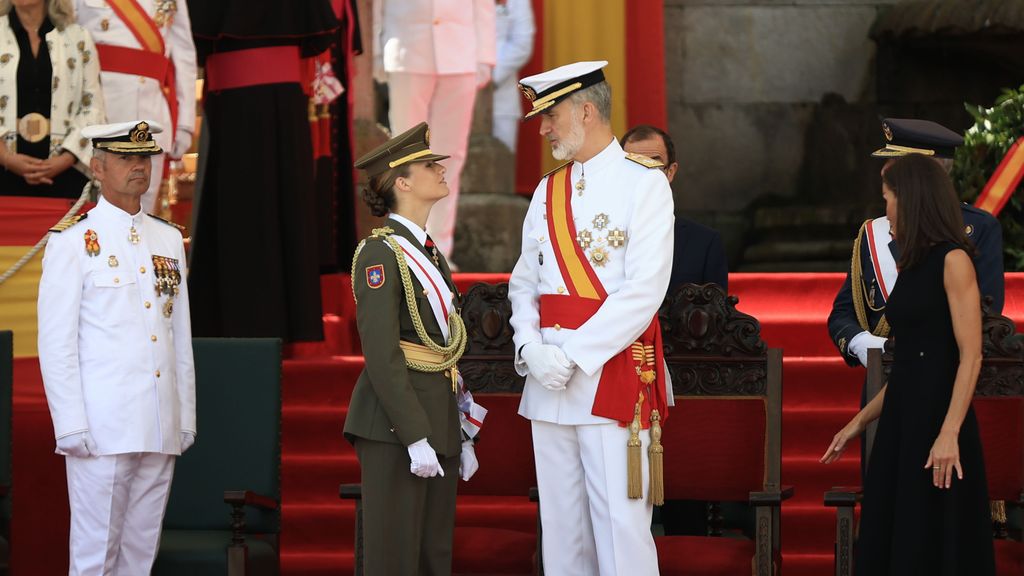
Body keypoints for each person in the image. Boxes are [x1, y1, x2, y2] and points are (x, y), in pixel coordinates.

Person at [509, 61, 673, 575]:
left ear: (585, 110)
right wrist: (530, 348)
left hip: (610, 373)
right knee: (561, 533)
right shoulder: (546, 190)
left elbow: (644, 291)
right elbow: (523, 282)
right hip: (547, 382)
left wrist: (573, 355)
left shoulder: (643, 185)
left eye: (550, 115)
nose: (543, 128)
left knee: (620, 531)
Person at [821, 153, 996, 574]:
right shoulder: (913, 263)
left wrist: (949, 433)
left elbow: (970, 355)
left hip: (941, 421)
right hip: (902, 422)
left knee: (934, 542)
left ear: (911, 198)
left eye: (887, 198)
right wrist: (858, 422)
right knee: (893, 537)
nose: (884, 211)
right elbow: (912, 365)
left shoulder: (954, 260)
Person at [37, 120, 196, 574]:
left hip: (159, 419)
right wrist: (69, 423)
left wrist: (184, 414)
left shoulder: (167, 238)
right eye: (126, 158)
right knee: (95, 553)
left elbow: (178, 336)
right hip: (102, 425)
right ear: (98, 168)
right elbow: (57, 343)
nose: (139, 167)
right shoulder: (72, 242)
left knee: (140, 553)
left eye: (144, 158)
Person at [343, 122, 480, 575]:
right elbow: (381, 354)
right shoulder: (380, 253)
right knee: (395, 555)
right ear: (401, 182)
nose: (441, 170)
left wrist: (458, 425)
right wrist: (413, 433)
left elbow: (444, 346)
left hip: (435, 417)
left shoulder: (428, 251)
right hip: (394, 426)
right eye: (428, 165)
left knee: (432, 555)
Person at [186, 0, 337, 343]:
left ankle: (240, 322)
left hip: (263, 104)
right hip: (250, 105)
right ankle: (282, 323)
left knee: (250, 211)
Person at [829, 118, 1004, 371]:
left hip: (944, 377)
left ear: (927, 174)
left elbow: (986, 317)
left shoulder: (978, 230)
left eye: (896, 164)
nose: (883, 170)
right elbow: (842, 314)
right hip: (881, 381)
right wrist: (863, 343)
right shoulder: (872, 233)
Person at [373, 0, 496, 263]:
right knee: (404, 154)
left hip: (460, 51)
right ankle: (405, 241)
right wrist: (375, 50)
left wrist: (485, 56)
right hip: (407, 46)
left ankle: (439, 247)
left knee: (451, 154)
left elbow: (484, 5)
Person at [74, 0, 198, 213]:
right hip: (93, 114)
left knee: (140, 218)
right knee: (86, 220)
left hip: (147, 117)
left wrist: (185, 123)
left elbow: (184, 55)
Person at [0, 0, 104, 198]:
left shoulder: (78, 37)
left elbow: (93, 106)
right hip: (3, 172)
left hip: (66, 173)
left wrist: (65, 159)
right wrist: (6, 157)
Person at [622, 124, 728, 293]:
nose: (643, 177)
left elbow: (715, 313)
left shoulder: (704, 243)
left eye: (652, 166)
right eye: (633, 166)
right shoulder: (596, 236)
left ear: (670, 171)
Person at [492, 0, 534, 152]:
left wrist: (490, 79)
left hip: (500, 97)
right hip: (453, 90)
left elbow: (521, 45)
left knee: (501, 165)